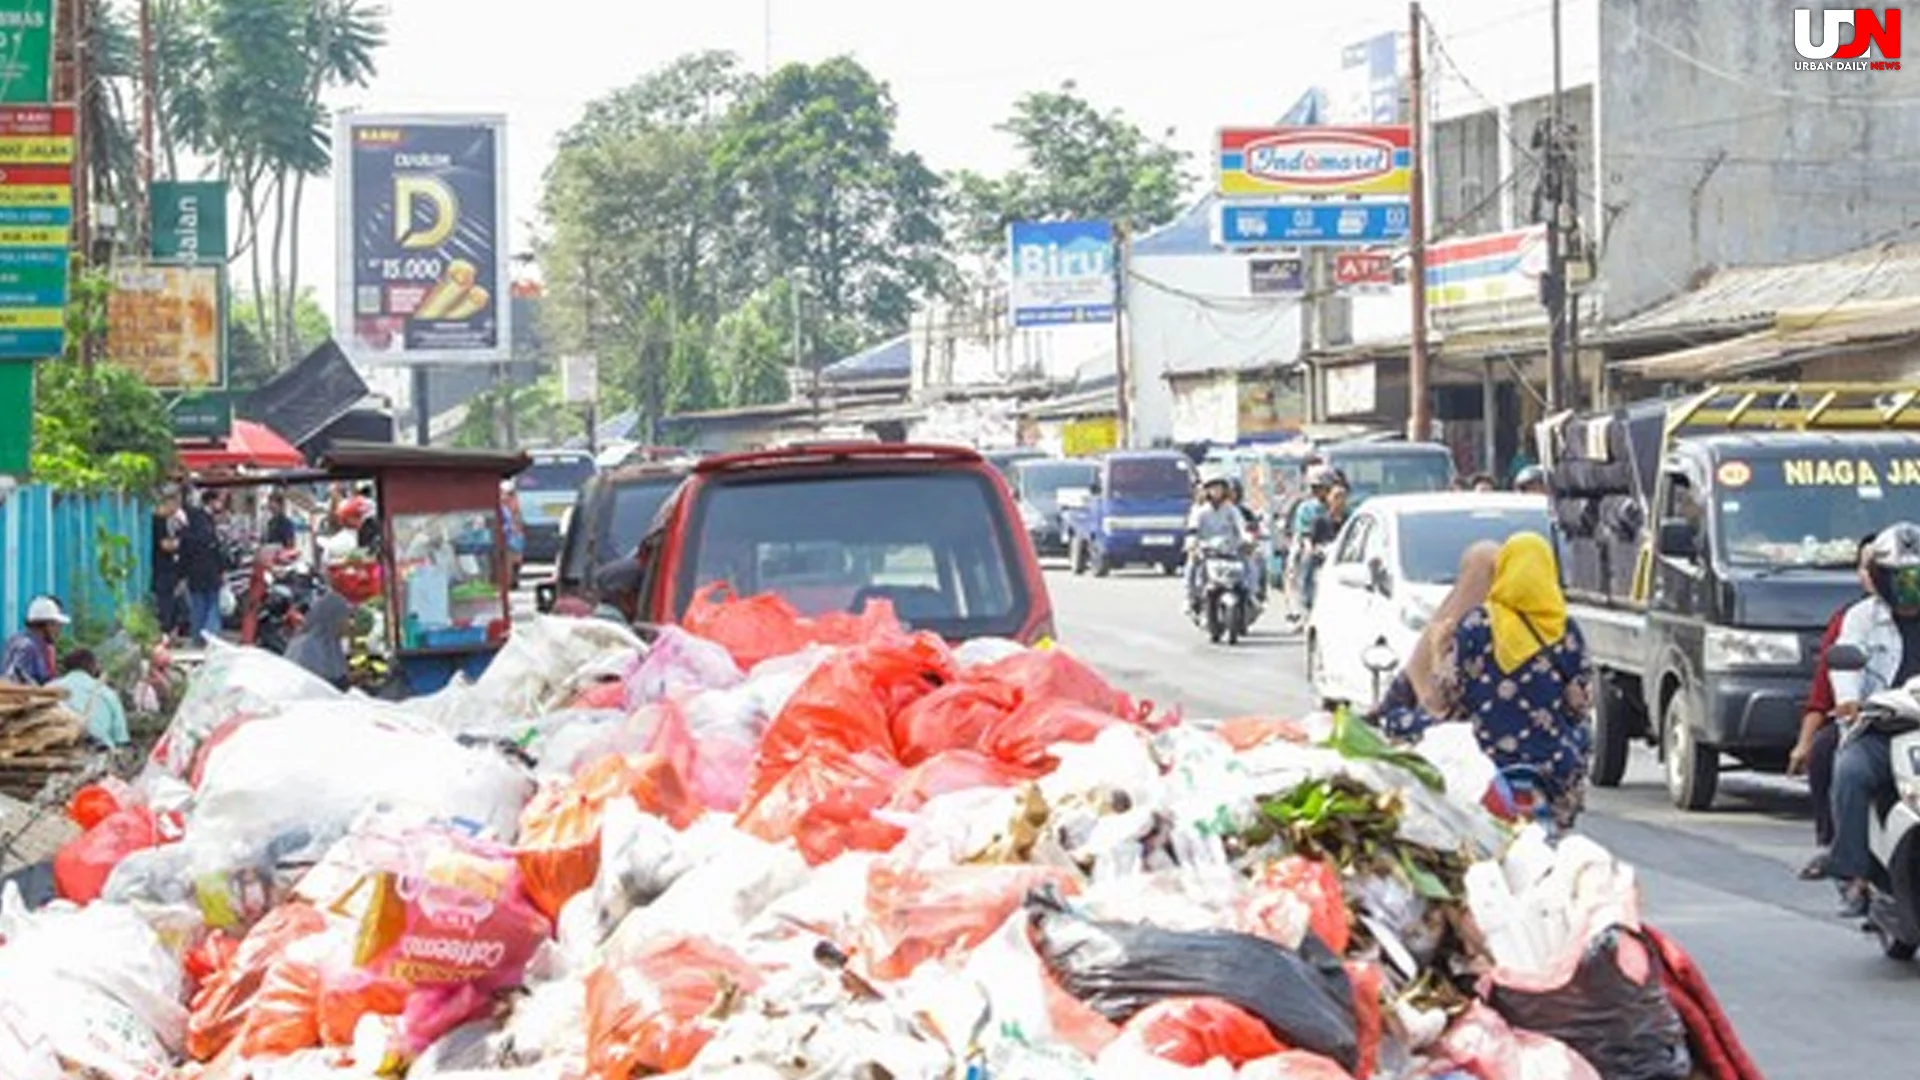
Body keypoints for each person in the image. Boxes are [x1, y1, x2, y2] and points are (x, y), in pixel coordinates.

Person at [1377, 533, 1594, 829]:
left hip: (1484, 755)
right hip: (1552, 768)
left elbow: (1445, 697)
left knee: (1399, 723)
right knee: (1580, 740)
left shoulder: (1478, 624)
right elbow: (1579, 707)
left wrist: (1439, 651)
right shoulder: (1567, 631)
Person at [1827, 521, 1920, 916]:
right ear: (1880, 578)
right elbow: (1844, 664)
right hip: (1883, 726)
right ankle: (1854, 877)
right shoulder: (1861, 618)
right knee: (1849, 772)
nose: (1908, 588)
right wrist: (1849, 702)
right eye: (1899, 578)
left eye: (1915, 578)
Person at [1790, 533, 1881, 880]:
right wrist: (1806, 740)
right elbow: (1828, 687)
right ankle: (1841, 854)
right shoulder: (1854, 619)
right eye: (1869, 567)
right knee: (1835, 757)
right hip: (1872, 726)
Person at [1185, 472, 1250, 612]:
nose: (1216, 492)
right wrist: (1192, 544)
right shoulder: (1200, 511)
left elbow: (1241, 526)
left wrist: (1246, 538)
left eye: (1219, 488)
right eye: (1213, 488)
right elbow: (1192, 530)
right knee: (1192, 565)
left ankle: (1251, 595)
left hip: (1229, 550)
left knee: (1248, 564)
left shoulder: (1231, 510)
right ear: (1207, 491)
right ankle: (1190, 598)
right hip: (1207, 551)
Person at [51, 649, 129, 748]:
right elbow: (121, 738)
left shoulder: (48, 689)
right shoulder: (107, 693)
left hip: (54, 749)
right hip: (100, 752)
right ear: (93, 667)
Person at [179, 489, 226, 646]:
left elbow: (186, 545)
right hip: (208, 570)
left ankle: (198, 637)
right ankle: (209, 636)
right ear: (211, 501)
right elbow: (212, 547)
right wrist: (221, 568)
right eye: (219, 501)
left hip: (195, 571)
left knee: (199, 605)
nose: (220, 504)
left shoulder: (194, 518)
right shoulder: (204, 521)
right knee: (212, 604)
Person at [284, 590, 355, 689]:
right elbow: (315, 687)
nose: (351, 624)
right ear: (333, 617)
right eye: (347, 617)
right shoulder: (308, 647)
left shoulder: (332, 646)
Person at [0, 596, 68, 686]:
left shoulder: (18, 640)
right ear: (48, 625)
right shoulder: (27, 647)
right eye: (57, 625)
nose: (59, 630)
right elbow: (13, 682)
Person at [151, 487, 185, 639]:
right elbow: (164, 545)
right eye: (176, 504)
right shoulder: (158, 521)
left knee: (172, 602)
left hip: (169, 569)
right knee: (165, 603)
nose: (177, 508)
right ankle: (164, 632)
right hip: (162, 569)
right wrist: (182, 543)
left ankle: (169, 631)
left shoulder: (169, 521)